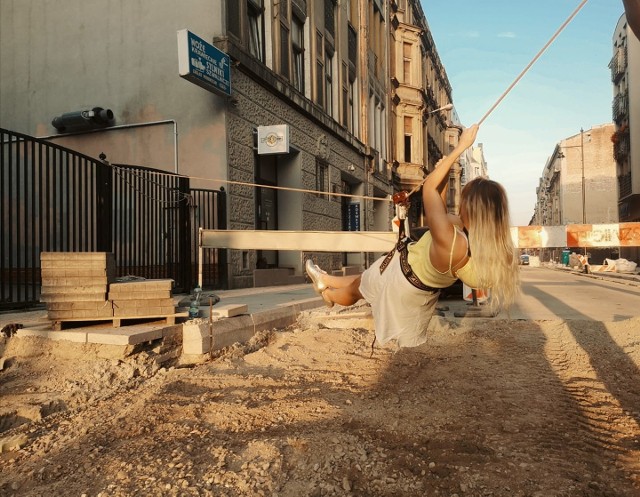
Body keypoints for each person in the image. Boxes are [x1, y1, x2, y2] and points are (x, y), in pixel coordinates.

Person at [305, 124, 520, 348]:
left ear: (471, 206)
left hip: (403, 278)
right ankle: (325, 279)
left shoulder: (453, 241)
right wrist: (444, 173)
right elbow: (441, 210)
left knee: (357, 289)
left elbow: (429, 192)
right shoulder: (474, 241)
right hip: (415, 282)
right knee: (364, 279)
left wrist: (460, 148)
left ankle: (329, 295)